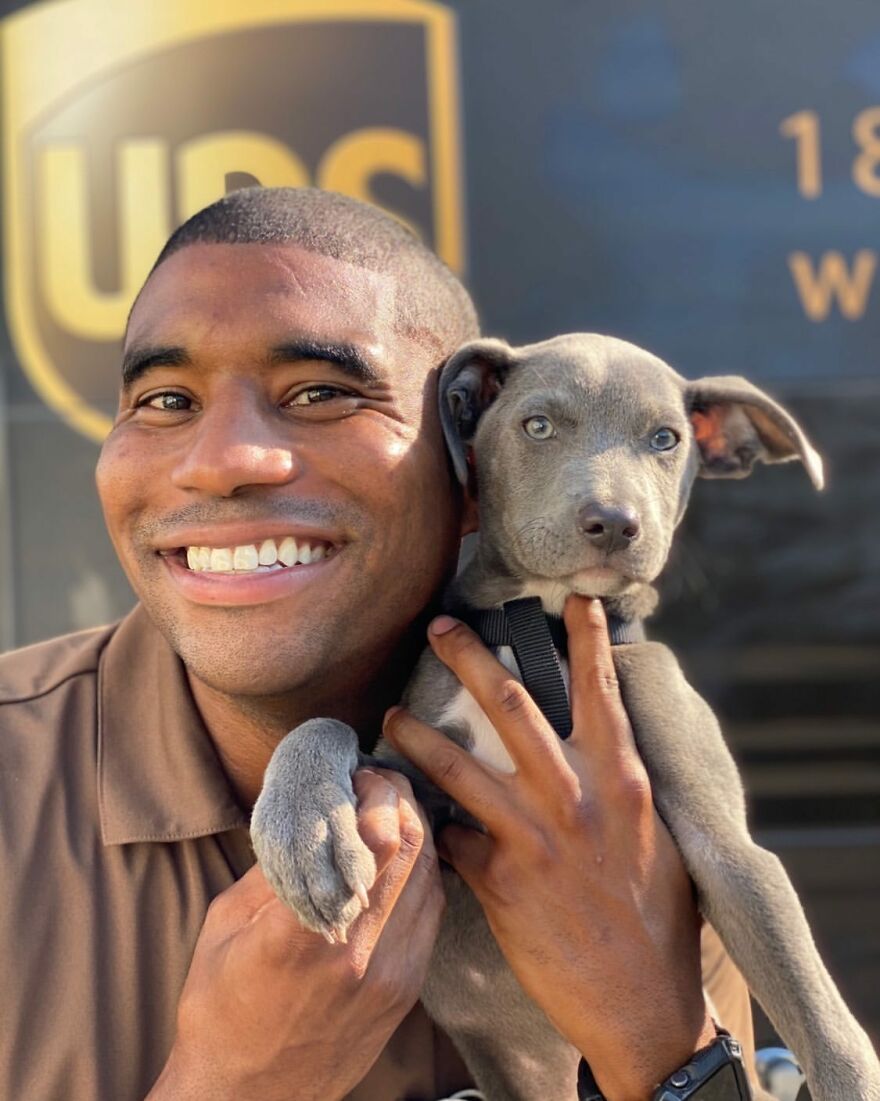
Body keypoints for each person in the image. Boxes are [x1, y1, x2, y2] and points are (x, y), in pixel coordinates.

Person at [0, 187, 766, 1101]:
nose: (222, 458)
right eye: (165, 399)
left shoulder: (617, 802)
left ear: (478, 476)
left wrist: (660, 1043)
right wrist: (238, 1082)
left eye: (320, 393)